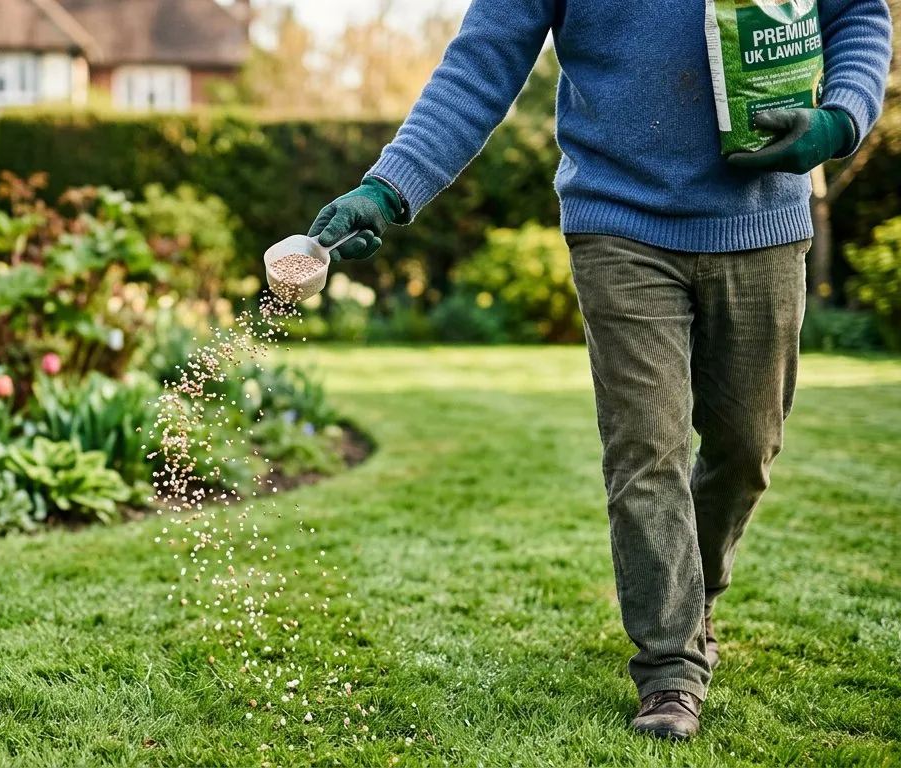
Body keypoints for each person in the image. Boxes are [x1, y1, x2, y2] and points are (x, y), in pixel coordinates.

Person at [309, 0, 892, 740]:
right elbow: (480, 65)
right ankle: (672, 668)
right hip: (619, 222)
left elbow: (859, 16)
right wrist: (389, 189)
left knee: (748, 447)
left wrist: (840, 120)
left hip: (762, 219)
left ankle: (695, 592)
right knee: (646, 449)